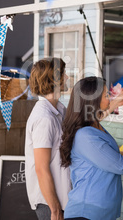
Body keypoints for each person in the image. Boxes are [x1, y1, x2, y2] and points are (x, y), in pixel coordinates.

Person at [59, 77, 123, 220]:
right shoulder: (86, 136)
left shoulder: (94, 127)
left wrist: (119, 99)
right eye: (107, 95)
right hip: (86, 213)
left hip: (99, 213)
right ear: (93, 100)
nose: (110, 98)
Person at [25, 58, 71, 219]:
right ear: (55, 79)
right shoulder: (44, 118)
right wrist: (55, 209)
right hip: (49, 203)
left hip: (62, 198)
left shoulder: (58, 109)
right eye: (64, 74)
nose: (67, 77)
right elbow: (41, 168)